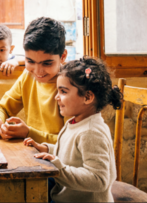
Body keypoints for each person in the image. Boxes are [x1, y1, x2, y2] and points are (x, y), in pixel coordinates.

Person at [24, 57, 122, 202]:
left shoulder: (91, 132)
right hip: (66, 192)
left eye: (63, 91)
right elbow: (72, 156)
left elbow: (99, 179)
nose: (56, 97)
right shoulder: (77, 122)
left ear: (87, 97)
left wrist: (60, 169)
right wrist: (46, 149)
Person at [0, 17, 67, 143]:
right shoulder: (28, 75)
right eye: (30, 61)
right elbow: (2, 108)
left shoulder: (73, 86)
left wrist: (28, 133)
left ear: (63, 57)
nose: (38, 71)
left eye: (47, 63)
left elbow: (71, 142)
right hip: (32, 153)